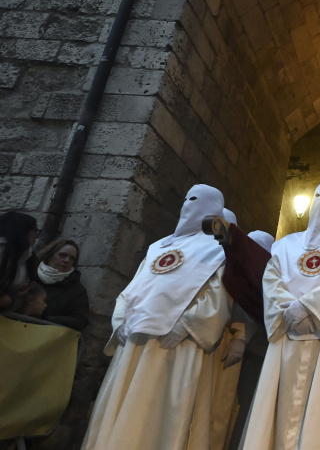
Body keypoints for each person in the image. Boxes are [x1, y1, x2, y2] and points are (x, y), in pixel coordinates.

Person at [82, 184, 234, 450]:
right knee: (122, 402)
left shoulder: (218, 249)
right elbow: (131, 290)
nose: (188, 203)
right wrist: (121, 322)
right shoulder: (158, 246)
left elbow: (219, 296)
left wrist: (189, 326)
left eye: (196, 199)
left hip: (177, 344)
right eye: (186, 198)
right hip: (135, 340)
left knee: (161, 413)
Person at [239, 179, 320, 450]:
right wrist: (291, 311)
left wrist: (308, 308)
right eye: (317, 196)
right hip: (287, 332)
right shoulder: (285, 245)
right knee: (277, 406)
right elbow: (271, 280)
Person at [33, 238, 89, 331]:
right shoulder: (29, 274)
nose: (67, 260)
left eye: (72, 258)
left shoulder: (77, 290)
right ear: (50, 255)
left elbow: (80, 320)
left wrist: (44, 320)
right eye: (62, 255)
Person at [0, 211, 39, 311]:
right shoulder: (2, 251)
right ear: (23, 230)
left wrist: (14, 291)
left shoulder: (27, 257)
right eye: (36, 230)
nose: (37, 236)